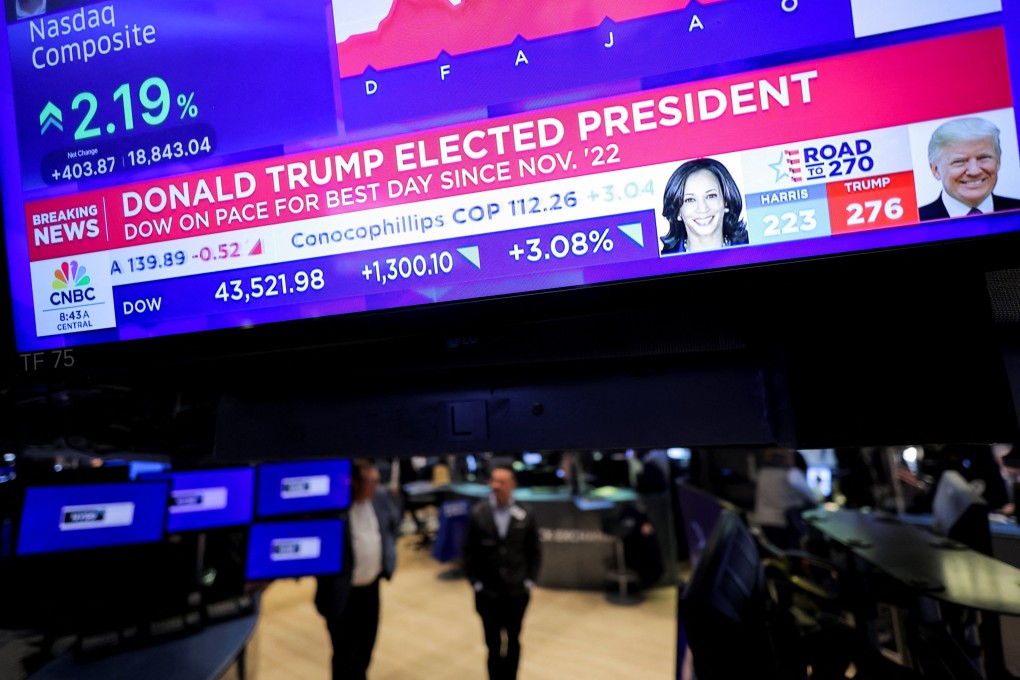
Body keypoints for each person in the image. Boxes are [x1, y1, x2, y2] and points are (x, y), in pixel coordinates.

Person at [314, 459, 400, 680]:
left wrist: (388, 556)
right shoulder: (332, 508)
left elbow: (392, 523)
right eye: (370, 481)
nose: (375, 486)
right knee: (344, 656)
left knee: (366, 650)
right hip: (342, 595)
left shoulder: (379, 499)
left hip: (371, 590)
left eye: (376, 481)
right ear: (353, 482)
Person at [463, 464, 541, 680]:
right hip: (488, 593)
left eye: (502, 482)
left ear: (513, 485)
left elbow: (534, 551)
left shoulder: (525, 513)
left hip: (517, 592)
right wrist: (475, 583)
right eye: (493, 481)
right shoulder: (479, 513)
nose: (496, 486)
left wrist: (530, 581)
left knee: (514, 640)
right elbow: (468, 552)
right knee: (493, 644)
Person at [919, 117, 1020, 221]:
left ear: (998, 161)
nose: (974, 171)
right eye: (959, 161)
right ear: (935, 170)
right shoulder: (917, 221)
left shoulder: (1017, 209)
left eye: (983, 158)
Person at [660, 157, 749, 254]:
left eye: (711, 196)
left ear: (726, 201)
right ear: (677, 211)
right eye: (690, 200)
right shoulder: (663, 264)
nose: (703, 209)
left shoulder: (753, 250)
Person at [753, 449, 818, 548]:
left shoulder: (762, 472)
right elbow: (811, 497)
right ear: (787, 457)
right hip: (784, 522)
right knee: (791, 556)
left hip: (764, 521)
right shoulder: (792, 473)